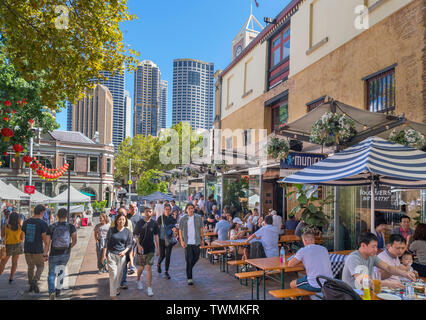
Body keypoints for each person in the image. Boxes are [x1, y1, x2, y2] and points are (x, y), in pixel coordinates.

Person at [341, 232, 416, 289]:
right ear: (363, 245)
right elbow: (363, 281)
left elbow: (388, 267)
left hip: (367, 291)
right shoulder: (354, 258)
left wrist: (404, 273)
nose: (376, 250)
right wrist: (387, 283)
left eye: (376, 247)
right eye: (373, 247)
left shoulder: (372, 256)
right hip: (353, 293)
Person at [45, 208, 77, 300]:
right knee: (61, 271)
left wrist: (45, 253)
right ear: (66, 216)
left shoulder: (51, 227)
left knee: (51, 274)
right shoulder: (71, 226)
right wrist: (69, 247)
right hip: (65, 253)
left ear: (57, 216)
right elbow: (75, 241)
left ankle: (51, 292)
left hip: (54, 253)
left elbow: (47, 243)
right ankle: (58, 289)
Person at [102, 213, 133, 300]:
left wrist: (124, 251)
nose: (121, 221)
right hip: (111, 255)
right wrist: (104, 255)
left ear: (125, 221)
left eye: (123, 219)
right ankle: (113, 296)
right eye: (119, 219)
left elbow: (129, 244)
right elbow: (106, 243)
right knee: (113, 274)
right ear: (116, 221)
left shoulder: (127, 231)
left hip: (121, 256)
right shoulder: (111, 230)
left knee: (119, 275)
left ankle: (117, 287)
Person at [21, 204, 49, 295]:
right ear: (41, 212)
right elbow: (46, 240)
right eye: (44, 212)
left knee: (30, 267)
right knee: (40, 266)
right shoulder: (43, 223)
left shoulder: (26, 222)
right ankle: (35, 280)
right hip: (38, 249)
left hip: (27, 248)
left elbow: (22, 237)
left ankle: (31, 285)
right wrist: (45, 252)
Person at [134, 207, 159, 296]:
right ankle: (138, 279)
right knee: (141, 267)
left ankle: (149, 287)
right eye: (146, 211)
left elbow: (156, 236)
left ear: (152, 212)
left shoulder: (154, 223)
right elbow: (136, 235)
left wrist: (158, 248)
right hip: (141, 249)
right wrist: (138, 245)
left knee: (148, 267)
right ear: (144, 212)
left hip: (151, 248)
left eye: (150, 211)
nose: (148, 213)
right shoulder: (140, 222)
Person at [178, 203, 203, 285]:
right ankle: (189, 278)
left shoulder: (198, 218)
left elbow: (201, 229)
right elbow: (180, 230)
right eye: (189, 208)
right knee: (189, 260)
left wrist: (202, 239)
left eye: (192, 208)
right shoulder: (183, 218)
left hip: (196, 241)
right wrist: (181, 241)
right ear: (186, 210)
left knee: (196, 257)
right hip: (187, 242)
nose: (191, 210)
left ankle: (189, 269)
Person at [0, 212, 25, 283]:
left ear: (10, 218)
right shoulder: (20, 227)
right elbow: (22, 238)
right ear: (18, 219)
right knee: (14, 262)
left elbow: (2, 236)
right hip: (17, 245)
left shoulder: (6, 226)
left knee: (3, 262)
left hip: (8, 246)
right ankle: (11, 278)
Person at [156, 204, 177, 280]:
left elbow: (175, 226)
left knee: (168, 256)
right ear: (164, 210)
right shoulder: (160, 218)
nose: (167, 211)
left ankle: (166, 272)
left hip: (169, 239)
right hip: (162, 239)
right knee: (162, 255)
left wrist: (174, 229)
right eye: (166, 209)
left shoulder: (172, 218)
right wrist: (157, 240)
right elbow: (156, 229)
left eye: (169, 209)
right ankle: (158, 264)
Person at [127, 202, 142, 275]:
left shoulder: (139, 216)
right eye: (131, 207)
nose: (133, 208)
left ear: (136, 207)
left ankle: (131, 264)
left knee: (133, 252)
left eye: (134, 207)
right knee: (130, 250)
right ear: (129, 208)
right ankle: (131, 265)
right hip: (129, 237)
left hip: (137, 237)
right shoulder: (127, 216)